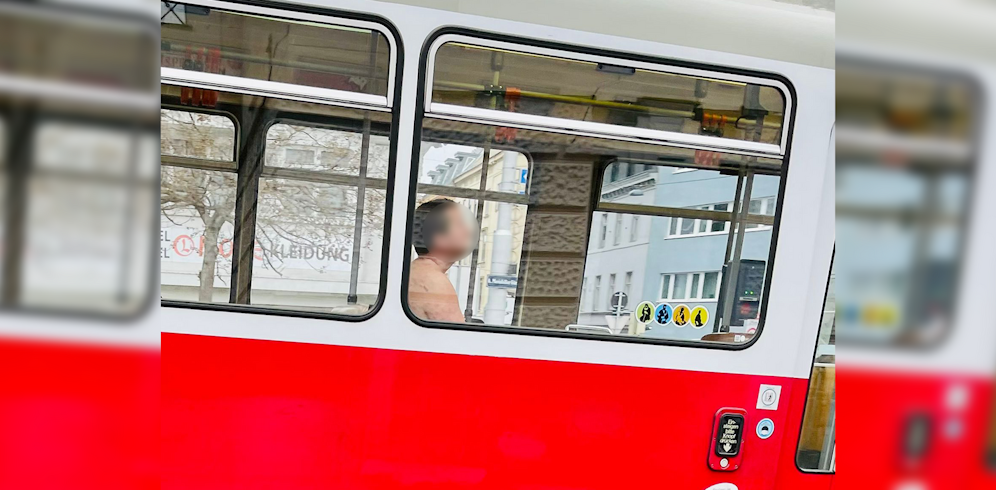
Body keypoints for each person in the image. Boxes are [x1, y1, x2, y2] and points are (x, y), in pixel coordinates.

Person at [409, 199, 476, 322]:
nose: (468, 231)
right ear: (439, 238)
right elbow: (456, 338)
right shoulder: (434, 282)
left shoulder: (416, 272)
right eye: (460, 224)